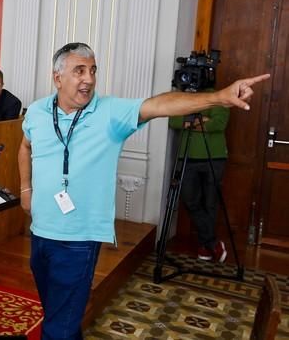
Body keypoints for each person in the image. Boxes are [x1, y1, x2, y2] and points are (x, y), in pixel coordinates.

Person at [18, 42, 269, 340]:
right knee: (60, 314)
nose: (89, 78)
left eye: (93, 70)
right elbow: (25, 146)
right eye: (79, 71)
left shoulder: (110, 112)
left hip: (79, 238)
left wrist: (218, 97)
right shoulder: (36, 112)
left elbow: (161, 105)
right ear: (58, 78)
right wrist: (25, 188)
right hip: (41, 231)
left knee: (57, 328)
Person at [169, 99, 229, 263]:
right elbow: (174, 120)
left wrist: (189, 123)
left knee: (210, 202)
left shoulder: (219, 96)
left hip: (215, 157)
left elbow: (218, 123)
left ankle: (204, 245)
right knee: (189, 200)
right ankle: (213, 243)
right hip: (187, 156)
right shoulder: (184, 96)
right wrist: (203, 121)